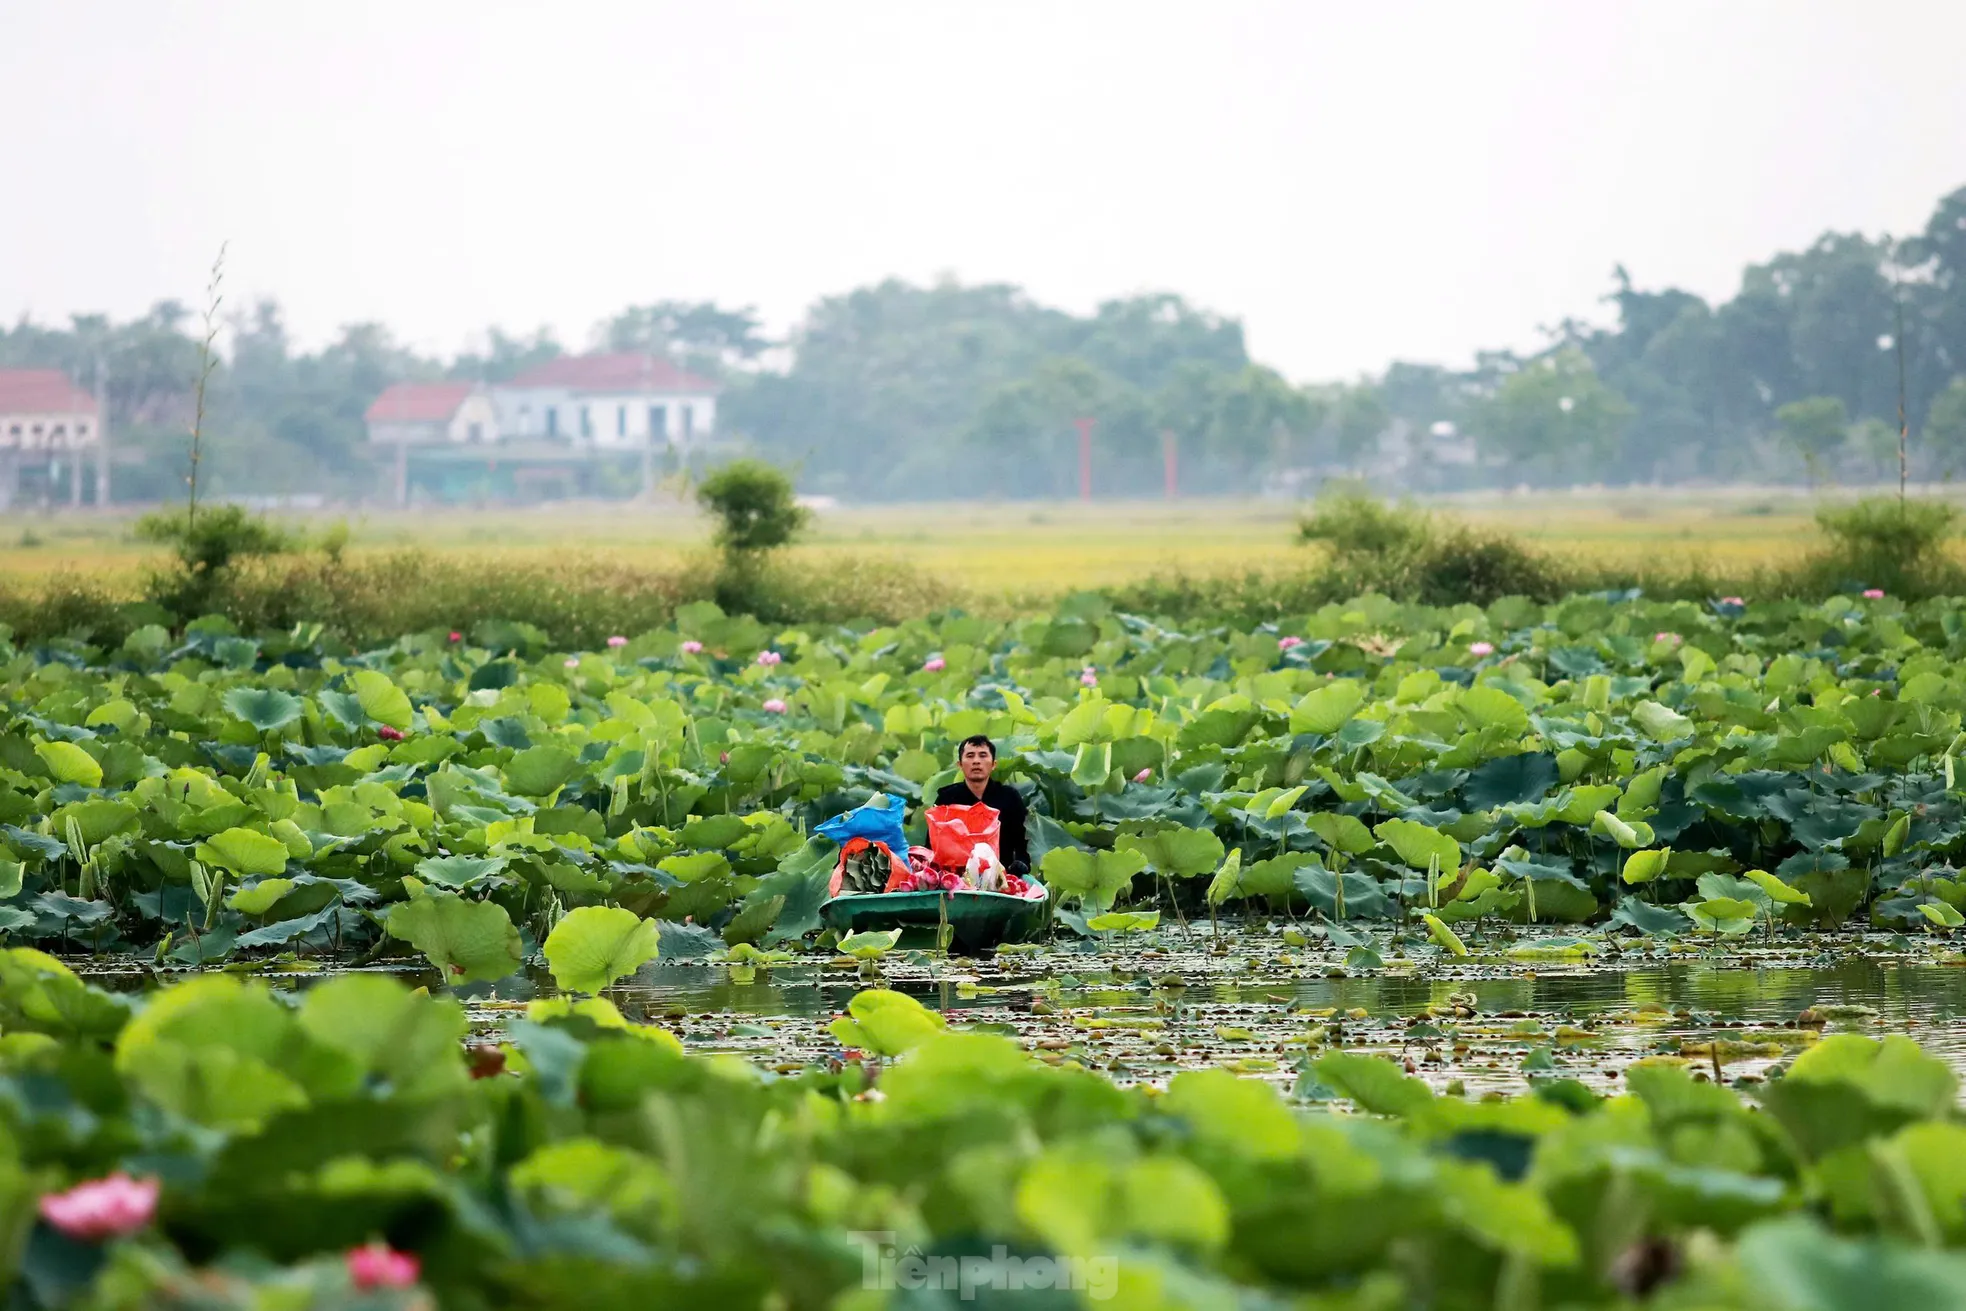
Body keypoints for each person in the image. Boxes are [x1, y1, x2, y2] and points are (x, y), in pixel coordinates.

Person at [935, 734, 1031, 874]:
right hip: (955, 881)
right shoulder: (947, 799)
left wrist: (1022, 863)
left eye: (983, 755)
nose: (976, 761)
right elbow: (932, 846)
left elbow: (1023, 844)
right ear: (960, 765)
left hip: (1002, 879)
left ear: (994, 764)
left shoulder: (1010, 797)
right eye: (970, 755)